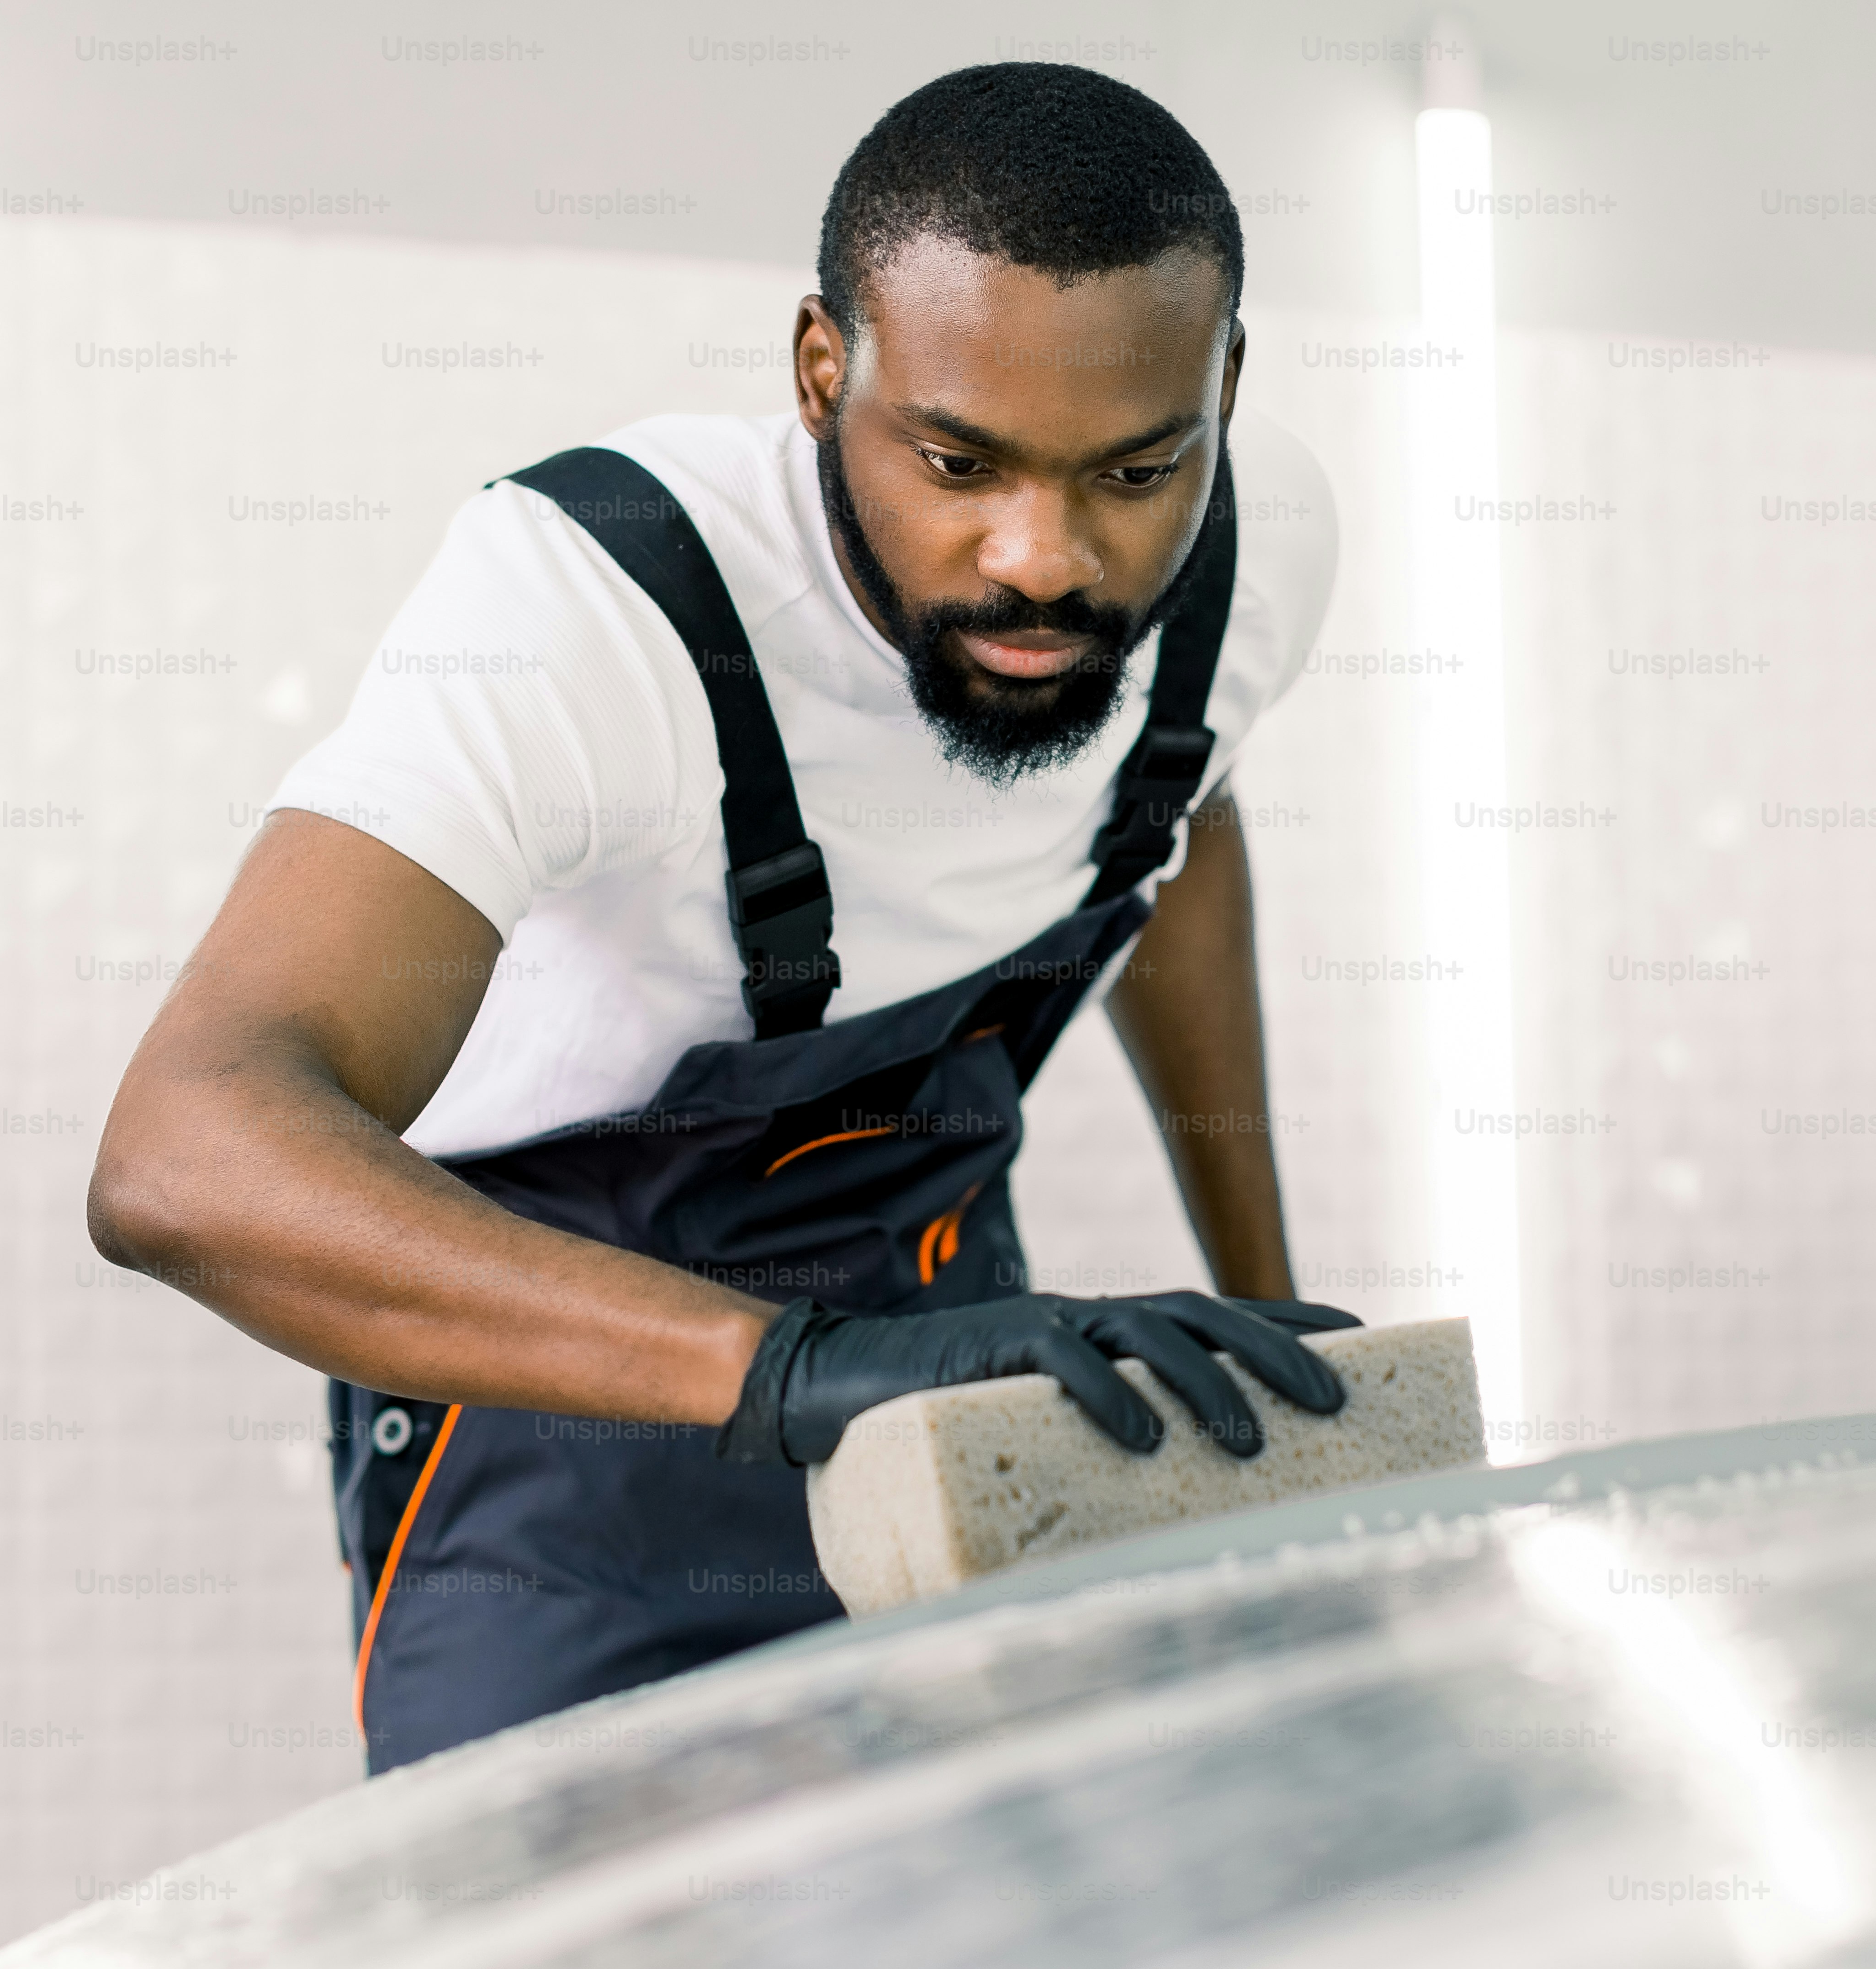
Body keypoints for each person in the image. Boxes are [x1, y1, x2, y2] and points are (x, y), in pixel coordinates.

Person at [88, 62, 1361, 1774]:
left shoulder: (1253, 542)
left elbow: (1169, 814)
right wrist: (793, 1371)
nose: (1043, 557)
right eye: (955, 461)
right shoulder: (593, 601)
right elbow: (182, 1159)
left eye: (1133, 470)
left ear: (1222, 390)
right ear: (822, 371)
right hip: (551, 1436)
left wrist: (1289, 1382)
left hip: (952, 1350)